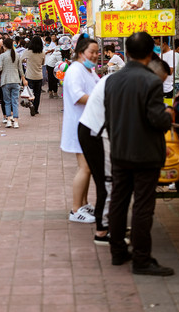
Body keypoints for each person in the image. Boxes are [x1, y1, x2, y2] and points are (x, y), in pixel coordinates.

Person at [78, 55, 170, 245]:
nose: (157, 85)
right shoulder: (129, 82)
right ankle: (103, 231)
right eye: (158, 81)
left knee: (111, 182)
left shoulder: (123, 78)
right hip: (96, 133)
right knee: (109, 182)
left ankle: (112, 226)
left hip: (97, 130)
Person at [104, 32, 174, 275]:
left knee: (119, 202)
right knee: (143, 206)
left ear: (129, 51)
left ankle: (117, 252)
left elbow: (110, 118)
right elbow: (157, 120)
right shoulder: (151, 81)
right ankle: (142, 259)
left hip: (119, 150)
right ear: (150, 53)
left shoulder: (112, 80)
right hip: (145, 154)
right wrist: (168, 116)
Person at [61, 34, 99, 223]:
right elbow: (78, 95)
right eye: (91, 52)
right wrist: (100, 101)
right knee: (84, 168)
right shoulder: (75, 70)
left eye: (97, 53)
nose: (95, 56)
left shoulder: (88, 71)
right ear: (80, 52)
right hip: (79, 125)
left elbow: (98, 87)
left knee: (88, 168)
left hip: (88, 125)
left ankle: (83, 204)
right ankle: (75, 209)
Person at [0, 38, 27, 128]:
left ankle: (9, 120)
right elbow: (20, 69)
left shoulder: (2, 56)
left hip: (5, 81)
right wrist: (24, 79)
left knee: (7, 102)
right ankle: (16, 121)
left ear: (5, 45)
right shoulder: (17, 55)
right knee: (14, 102)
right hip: (16, 80)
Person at [21, 36, 45, 115]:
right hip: (39, 75)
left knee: (30, 93)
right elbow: (42, 63)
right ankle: (36, 109)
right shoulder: (42, 52)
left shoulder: (28, 51)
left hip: (30, 75)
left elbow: (21, 59)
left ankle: (31, 104)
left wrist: (26, 60)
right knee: (37, 94)